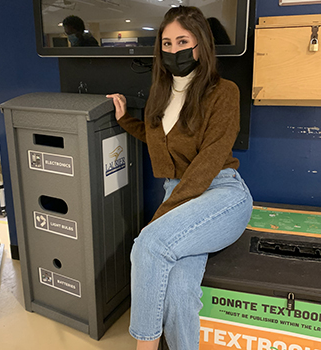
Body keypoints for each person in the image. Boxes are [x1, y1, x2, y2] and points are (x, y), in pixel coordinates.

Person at [107, 6, 253, 350]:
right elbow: (159, 138)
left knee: (149, 244)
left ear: (200, 44)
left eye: (182, 41)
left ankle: (144, 347)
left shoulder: (224, 91)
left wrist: (163, 214)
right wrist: (126, 121)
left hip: (220, 193)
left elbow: (209, 160)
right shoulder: (159, 91)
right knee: (179, 292)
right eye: (167, 42)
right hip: (179, 196)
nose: (174, 50)